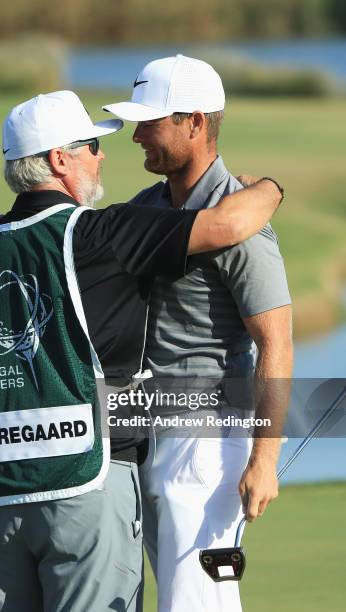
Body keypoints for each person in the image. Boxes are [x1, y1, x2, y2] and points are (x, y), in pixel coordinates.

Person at [0, 89, 283, 612]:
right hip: (86, 483)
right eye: (90, 147)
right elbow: (230, 223)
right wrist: (271, 187)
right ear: (60, 159)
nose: (103, 156)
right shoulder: (102, 233)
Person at [104, 55, 293, 612]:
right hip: (144, 432)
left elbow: (276, 343)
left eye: (150, 122)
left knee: (195, 604)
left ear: (194, 122)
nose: (137, 135)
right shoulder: (146, 207)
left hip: (207, 444)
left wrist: (264, 460)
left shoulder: (245, 229)